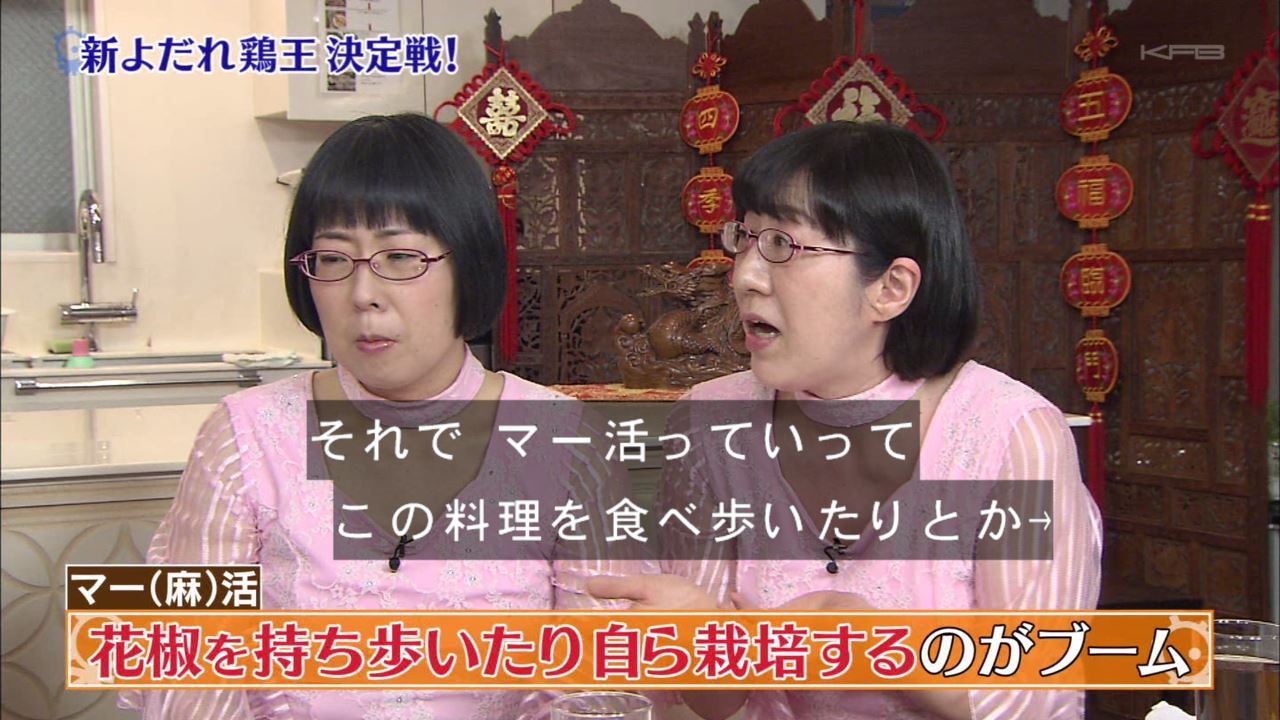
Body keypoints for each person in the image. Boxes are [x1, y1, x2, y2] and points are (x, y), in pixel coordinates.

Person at [120, 113, 644, 719]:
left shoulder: (568, 442)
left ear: (470, 264)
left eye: (400, 257)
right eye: (333, 258)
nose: (363, 293)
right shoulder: (244, 436)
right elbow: (188, 680)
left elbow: (601, 684)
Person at [588, 120, 1103, 719]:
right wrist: (703, 644)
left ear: (891, 288)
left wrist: (868, 641)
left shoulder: (1012, 437)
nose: (744, 276)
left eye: (782, 246)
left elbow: (1041, 699)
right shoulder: (708, 423)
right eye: (744, 239)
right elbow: (713, 703)